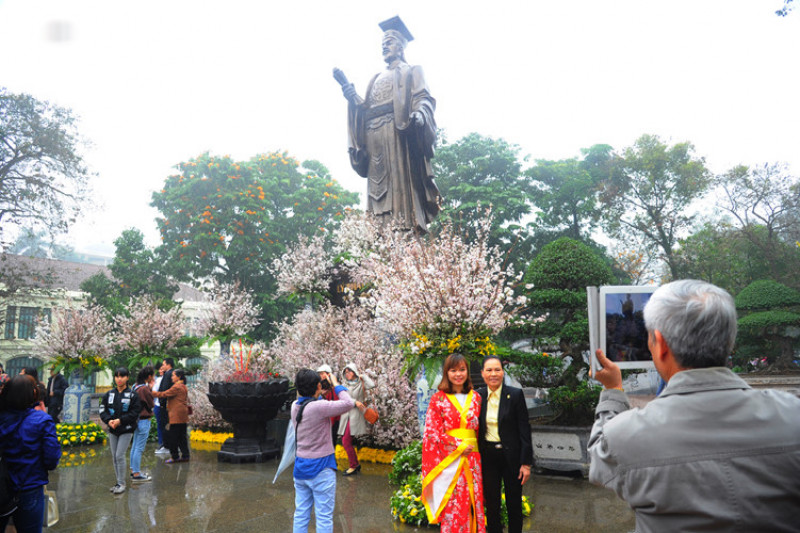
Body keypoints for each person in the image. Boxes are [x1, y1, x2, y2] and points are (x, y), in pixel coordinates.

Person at [589, 279, 800, 532]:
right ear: (730, 341)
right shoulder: (792, 414)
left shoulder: (627, 434)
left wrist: (613, 391)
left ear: (661, 343)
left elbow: (599, 464)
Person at [340, 16, 440, 234]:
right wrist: (353, 100)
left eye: (390, 41)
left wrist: (420, 114)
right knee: (377, 189)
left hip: (397, 135)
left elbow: (424, 98)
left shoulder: (412, 71)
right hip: (374, 136)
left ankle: (404, 233)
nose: (385, 46)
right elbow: (364, 109)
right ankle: (377, 235)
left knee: (400, 190)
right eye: (383, 43)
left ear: (402, 46)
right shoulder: (376, 77)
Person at [421, 353, 486, 533]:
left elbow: (481, 431)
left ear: (468, 372)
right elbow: (432, 433)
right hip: (450, 461)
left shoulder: (477, 398)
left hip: (473, 460)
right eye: (453, 370)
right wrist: (458, 444)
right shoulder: (438, 399)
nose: (458, 374)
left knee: (474, 502)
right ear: (446, 373)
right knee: (453, 504)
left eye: (462, 370)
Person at [291, 368, 355, 533]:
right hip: (321, 468)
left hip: (300, 468)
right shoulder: (319, 407)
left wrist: (319, 390)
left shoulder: (294, 406)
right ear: (318, 386)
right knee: (324, 516)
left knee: (301, 513)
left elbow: (312, 401)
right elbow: (348, 403)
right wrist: (335, 383)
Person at [477, 355, 533, 533]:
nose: (493, 374)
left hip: (511, 457)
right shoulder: (477, 396)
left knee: (513, 503)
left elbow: (524, 430)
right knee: (492, 504)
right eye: (489, 370)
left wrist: (526, 463)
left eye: (497, 369)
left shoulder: (515, 394)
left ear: (503, 372)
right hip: (488, 457)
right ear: (483, 373)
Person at [0, 375, 61, 533]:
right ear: (33, 394)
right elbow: (52, 458)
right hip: (30, 487)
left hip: (3, 487)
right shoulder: (42, 420)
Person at [100, 367, 142, 495]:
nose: (119, 379)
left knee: (119, 455)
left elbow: (135, 413)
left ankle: (122, 483)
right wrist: (109, 421)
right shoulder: (109, 394)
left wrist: (120, 420)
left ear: (127, 378)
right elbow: (103, 410)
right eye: (117, 376)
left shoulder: (133, 395)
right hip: (113, 430)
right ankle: (118, 482)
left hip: (126, 429)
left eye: (122, 376)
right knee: (114, 457)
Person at [337, 362, 376, 476]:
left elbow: (372, 385)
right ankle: (355, 465)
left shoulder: (360, 383)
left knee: (346, 441)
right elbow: (344, 399)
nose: (347, 373)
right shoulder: (345, 385)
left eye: (349, 371)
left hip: (355, 415)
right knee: (346, 440)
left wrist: (363, 376)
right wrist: (355, 402)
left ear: (354, 371)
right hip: (346, 415)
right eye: (346, 372)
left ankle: (354, 466)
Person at [152, 368, 189, 464]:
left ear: (178, 376)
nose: (171, 377)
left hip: (176, 415)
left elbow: (164, 394)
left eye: (173, 375)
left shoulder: (177, 387)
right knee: (182, 436)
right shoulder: (183, 386)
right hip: (183, 415)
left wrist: (152, 392)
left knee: (172, 436)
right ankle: (185, 455)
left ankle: (175, 456)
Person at [129, 366, 155, 482]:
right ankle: (136, 473)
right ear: (149, 376)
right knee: (139, 448)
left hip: (135, 419)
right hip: (144, 420)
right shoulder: (144, 389)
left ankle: (133, 470)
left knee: (135, 446)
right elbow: (151, 403)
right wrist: (151, 389)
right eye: (152, 376)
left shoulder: (135, 386)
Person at [316, 364, 340, 448]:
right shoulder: (320, 386)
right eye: (320, 374)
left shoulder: (334, 386)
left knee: (332, 440)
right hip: (324, 417)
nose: (321, 376)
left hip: (333, 417)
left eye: (323, 373)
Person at [155, 358, 174, 455]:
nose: (162, 366)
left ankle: (166, 446)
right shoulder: (173, 374)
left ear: (168, 364)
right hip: (171, 405)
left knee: (164, 425)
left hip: (165, 405)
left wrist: (162, 403)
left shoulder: (168, 374)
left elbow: (165, 389)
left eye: (164, 364)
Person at [152, 361, 167, 454]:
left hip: (162, 405)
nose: (160, 370)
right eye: (160, 369)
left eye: (162, 369)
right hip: (158, 405)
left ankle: (164, 444)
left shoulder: (164, 380)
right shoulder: (158, 380)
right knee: (161, 425)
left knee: (163, 426)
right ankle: (162, 444)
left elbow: (154, 391)